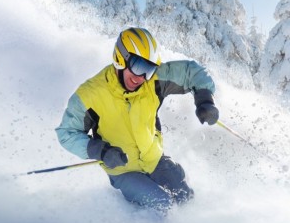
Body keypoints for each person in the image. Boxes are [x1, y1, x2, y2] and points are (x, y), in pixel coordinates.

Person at [56, 27, 219, 211]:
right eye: (138, 66)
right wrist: (100, 151)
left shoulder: (154, 81)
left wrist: (205, 99)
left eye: (148, 69)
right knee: (162, 204)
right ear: (121, 58)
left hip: (154, 159)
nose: (141, 77)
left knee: (186, 198)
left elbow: (192, 71)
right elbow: (67, 133)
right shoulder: (90, 95)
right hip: (123, 169)